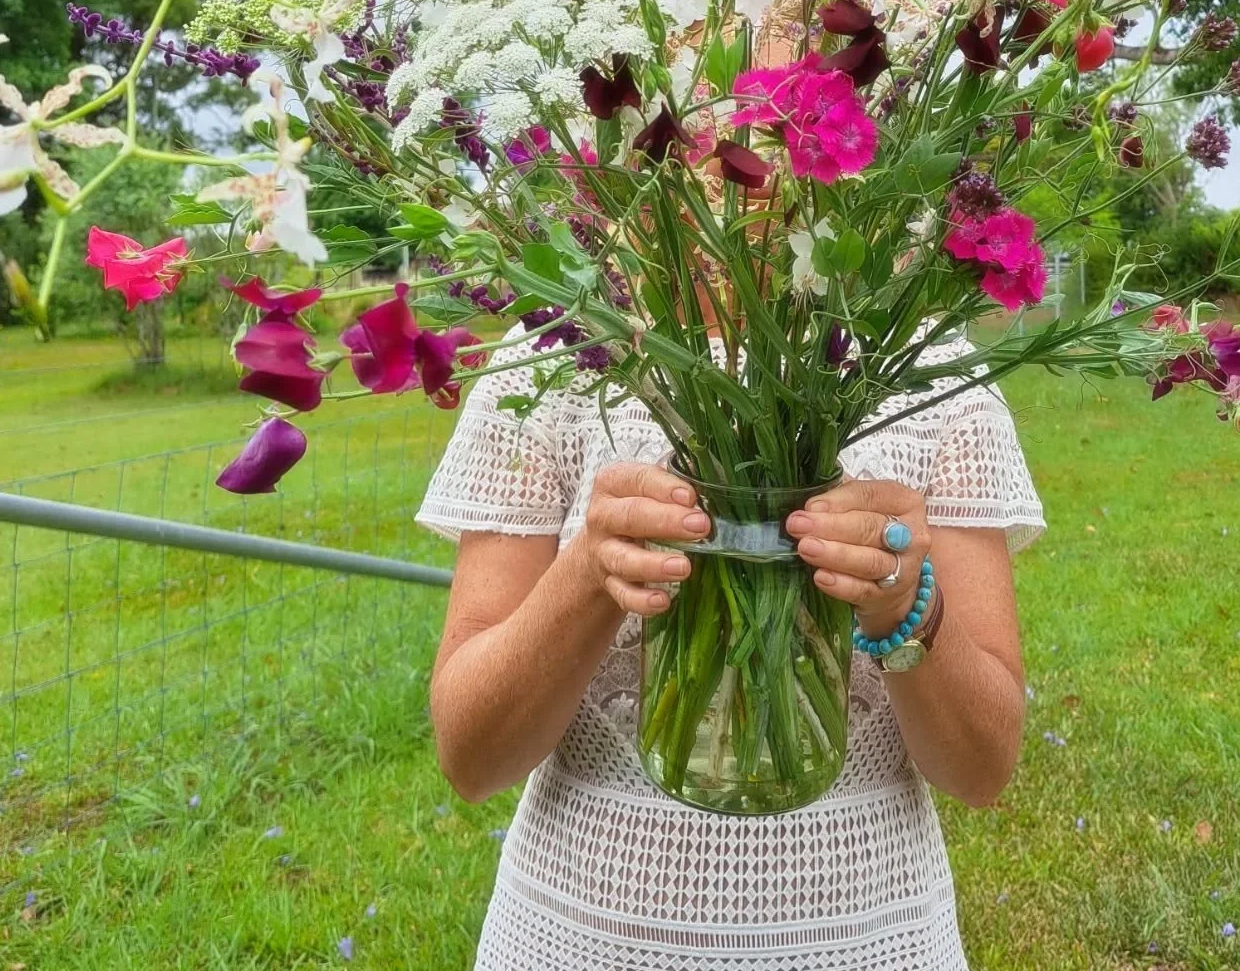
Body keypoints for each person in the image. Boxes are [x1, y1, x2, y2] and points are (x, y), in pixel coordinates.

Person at [416, 334, 1044, 970]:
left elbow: (982, 769)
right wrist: (591, 573)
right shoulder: (559, 349)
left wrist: (901, 604)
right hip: (574, 938)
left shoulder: (937, 373)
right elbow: (472, 759)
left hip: (871, 939)